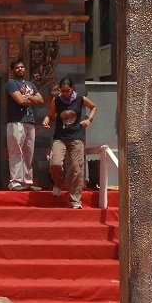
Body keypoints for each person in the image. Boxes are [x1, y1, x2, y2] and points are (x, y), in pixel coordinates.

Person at [42, 76, 97, 209]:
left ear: (73, 89)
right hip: (60, 137)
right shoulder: (57, 100)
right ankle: (59, 183)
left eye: (68, 91)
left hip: (76, 137)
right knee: (55, 163)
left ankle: (74, 200)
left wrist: (89, 120)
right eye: (63, 91)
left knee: (76, 168)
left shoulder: (80, 99)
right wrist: (46, 120)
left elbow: (94, 107)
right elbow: (50, 114)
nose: (65, 93)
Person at [5, 59, 42, 190]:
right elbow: (20, 100)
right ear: (12, 70)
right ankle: (15, 182)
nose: (20, 69)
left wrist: (28, 97)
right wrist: (32, 98)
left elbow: (41, 100)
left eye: (22, 67)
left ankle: (27, 182)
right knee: (16, 151)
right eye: (17, 68)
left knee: (28, 153)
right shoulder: (11, 83)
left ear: (25, 69)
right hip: (16, 121)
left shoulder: (30, 84)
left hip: (29, 121)